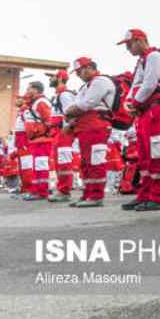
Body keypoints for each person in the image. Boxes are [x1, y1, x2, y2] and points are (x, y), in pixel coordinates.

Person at [117, 29, 160, 211]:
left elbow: (150, 83)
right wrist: (129, 104)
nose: (128, 48)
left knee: (157, 152)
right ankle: (144, 194)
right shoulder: (143, 60)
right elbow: (136, 86)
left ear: (141, 40)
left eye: (129, 44)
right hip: (145, 111)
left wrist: (133, 103)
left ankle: (157, 197)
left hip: (156, 109)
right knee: (144, 157)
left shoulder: (155, 57)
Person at [64, 57, 117, 207]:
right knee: (86, 163)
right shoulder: (86, 86)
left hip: (97, 125)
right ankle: (88, 193)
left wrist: (69, 112)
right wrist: (71, 113)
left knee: (96, 161)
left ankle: (96, 196)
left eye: (80, 71)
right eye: (77, 72)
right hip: (86, 127)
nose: (79, 75)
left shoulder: (100, 81)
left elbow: (86, 104)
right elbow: (78, 105)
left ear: (89, 68)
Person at [46, 70, 77, 202]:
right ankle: (62, 189)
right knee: (60, 162)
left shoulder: (64, 95)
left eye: (52, 76)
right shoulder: (59, 95)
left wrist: (66, 128)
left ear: (59, 78)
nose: (50, 79)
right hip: (59, 132)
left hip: (64, 132)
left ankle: (65, 191)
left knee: (64, 162)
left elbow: (71, 113)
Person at [20, 81, 53, 200]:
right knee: (37, 166)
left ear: (36, 90)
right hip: (37, 140)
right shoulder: (35, 103)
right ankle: (37, 190)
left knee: (41, 165)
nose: (27, 91)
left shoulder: (41, 102)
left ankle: (42, 192)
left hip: (42, 139)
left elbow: (49, 120)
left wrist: (43, 132)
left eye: (29, 89)